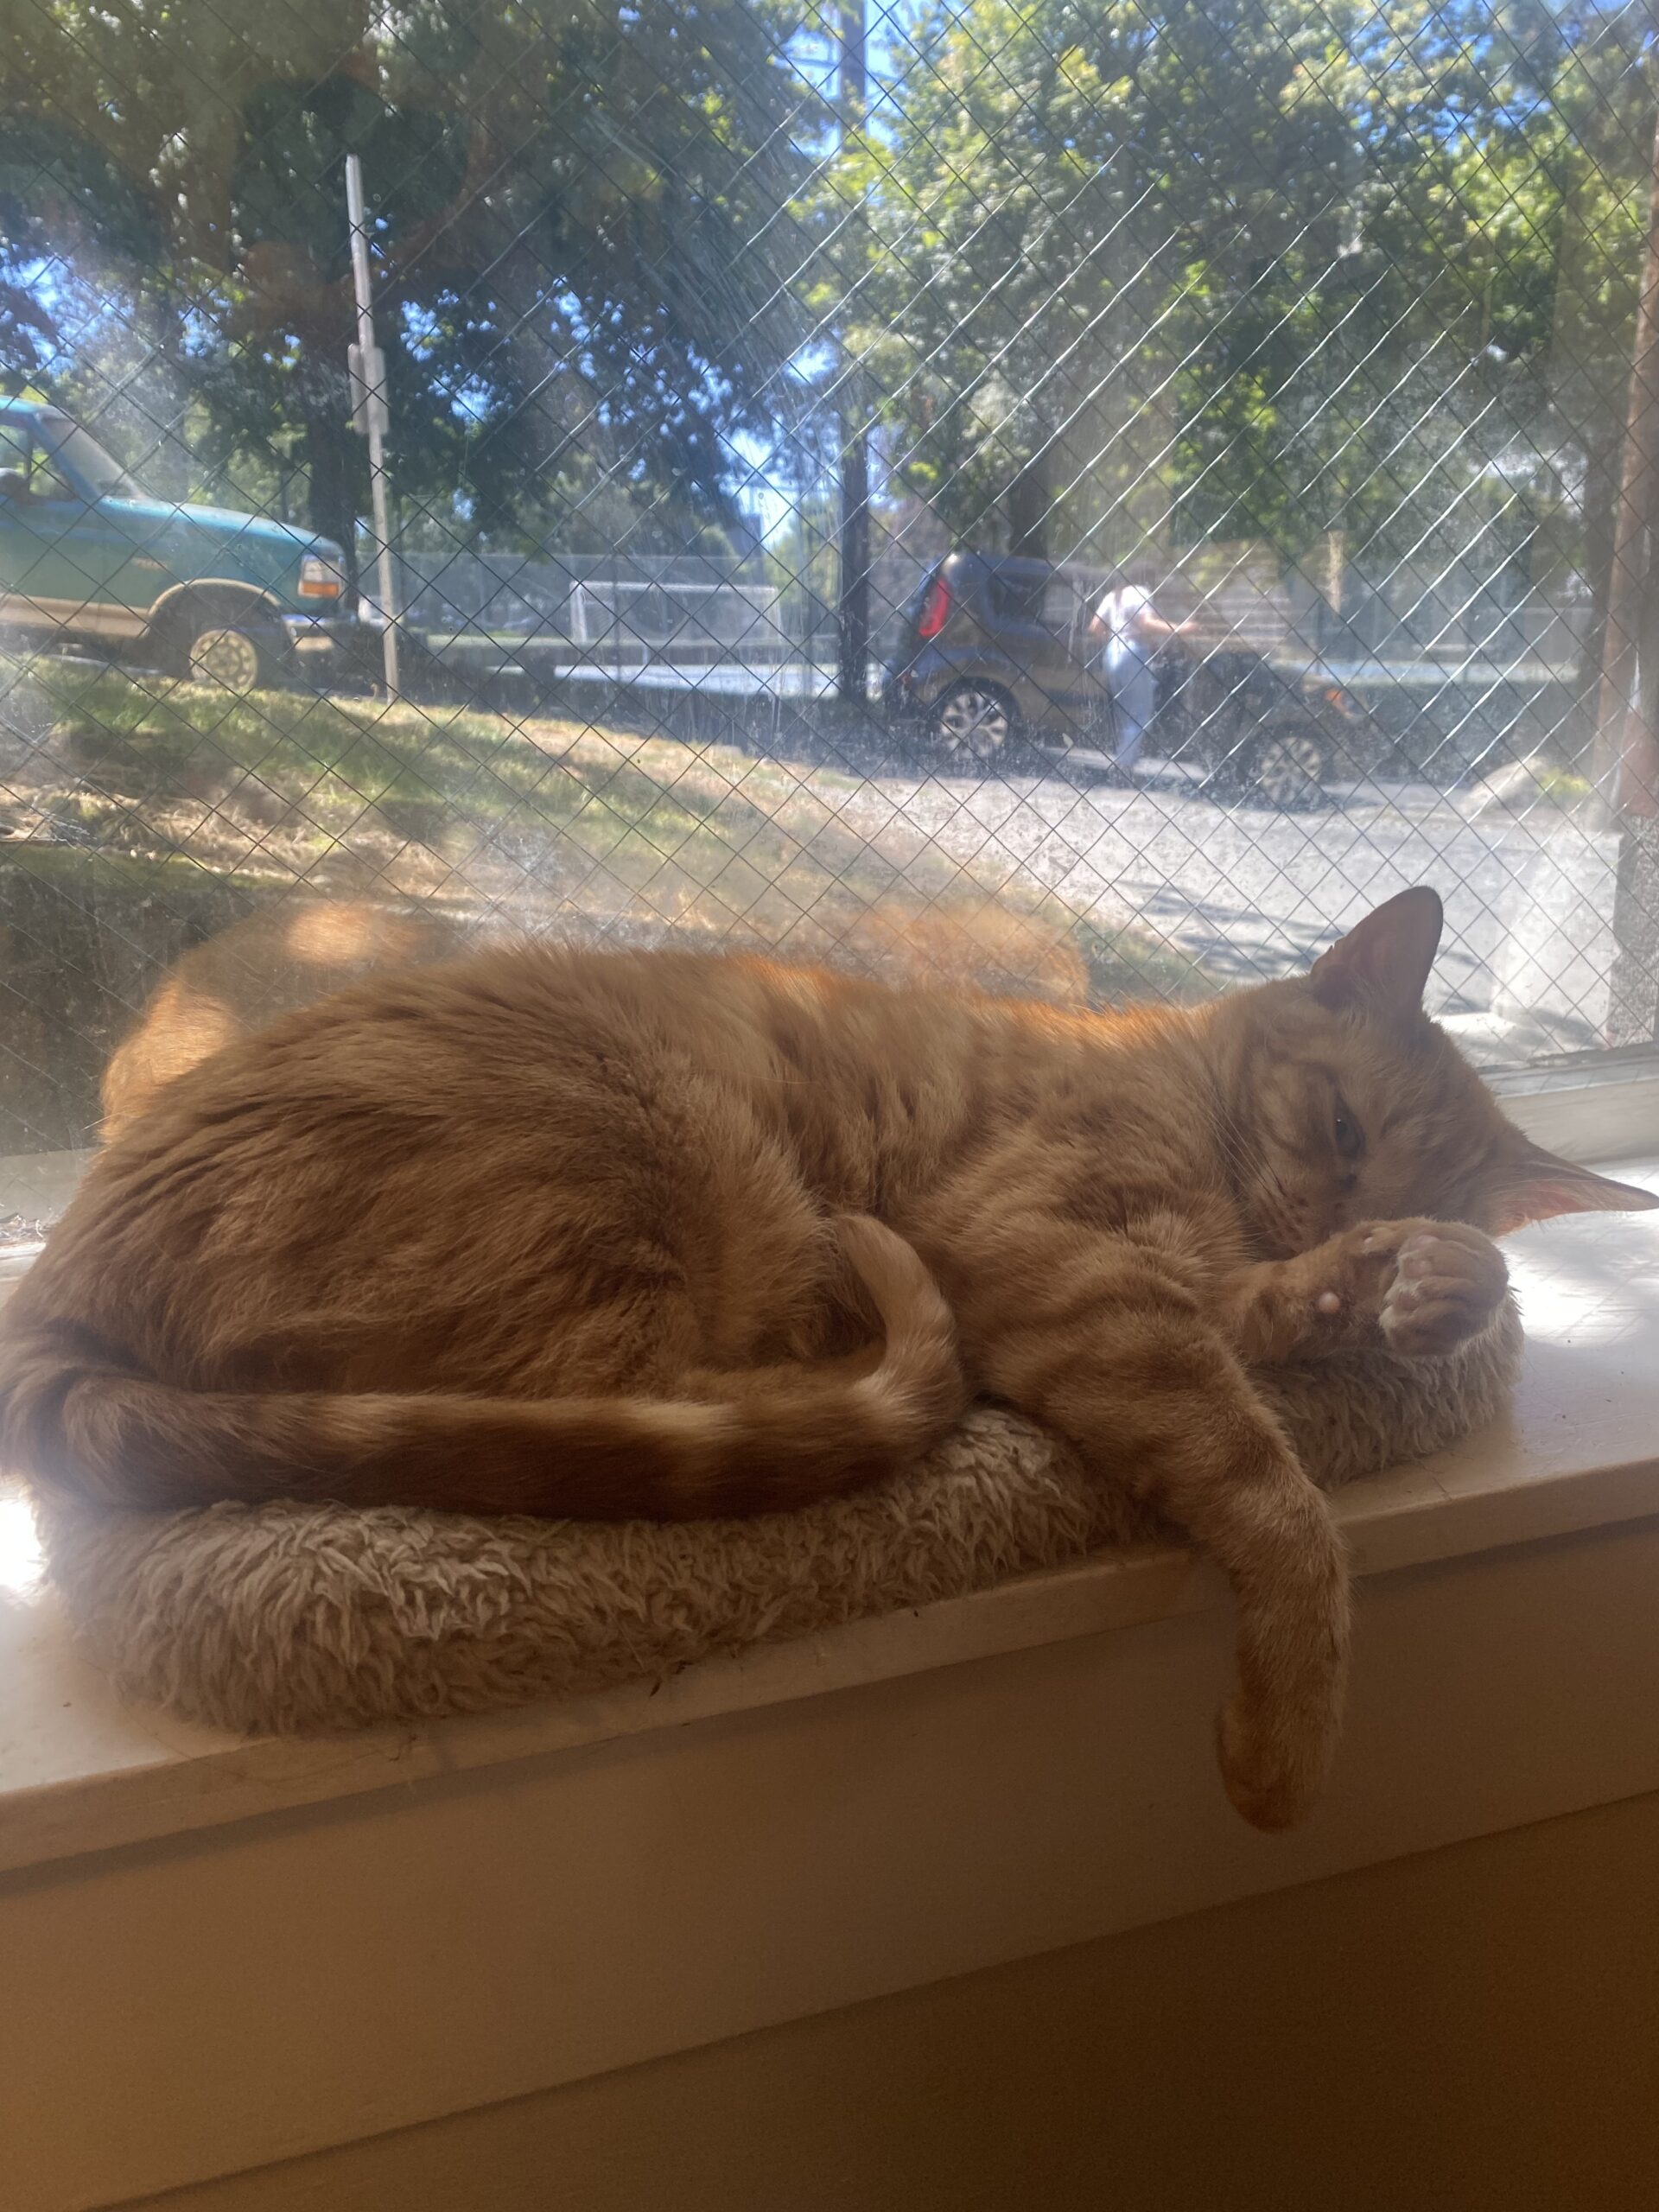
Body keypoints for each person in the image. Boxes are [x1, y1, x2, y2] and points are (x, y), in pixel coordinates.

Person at [1088, 564, 1197, 773]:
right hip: (1133, 654)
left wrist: (1115, 639)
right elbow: (1146, 623)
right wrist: (1181, 629)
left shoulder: (1113, 595)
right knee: (1140, 715)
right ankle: (1124, 767)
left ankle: (1122, 762)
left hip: (1111, 653)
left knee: (1125, 713)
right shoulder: (1141, 592)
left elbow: (1095, 627)